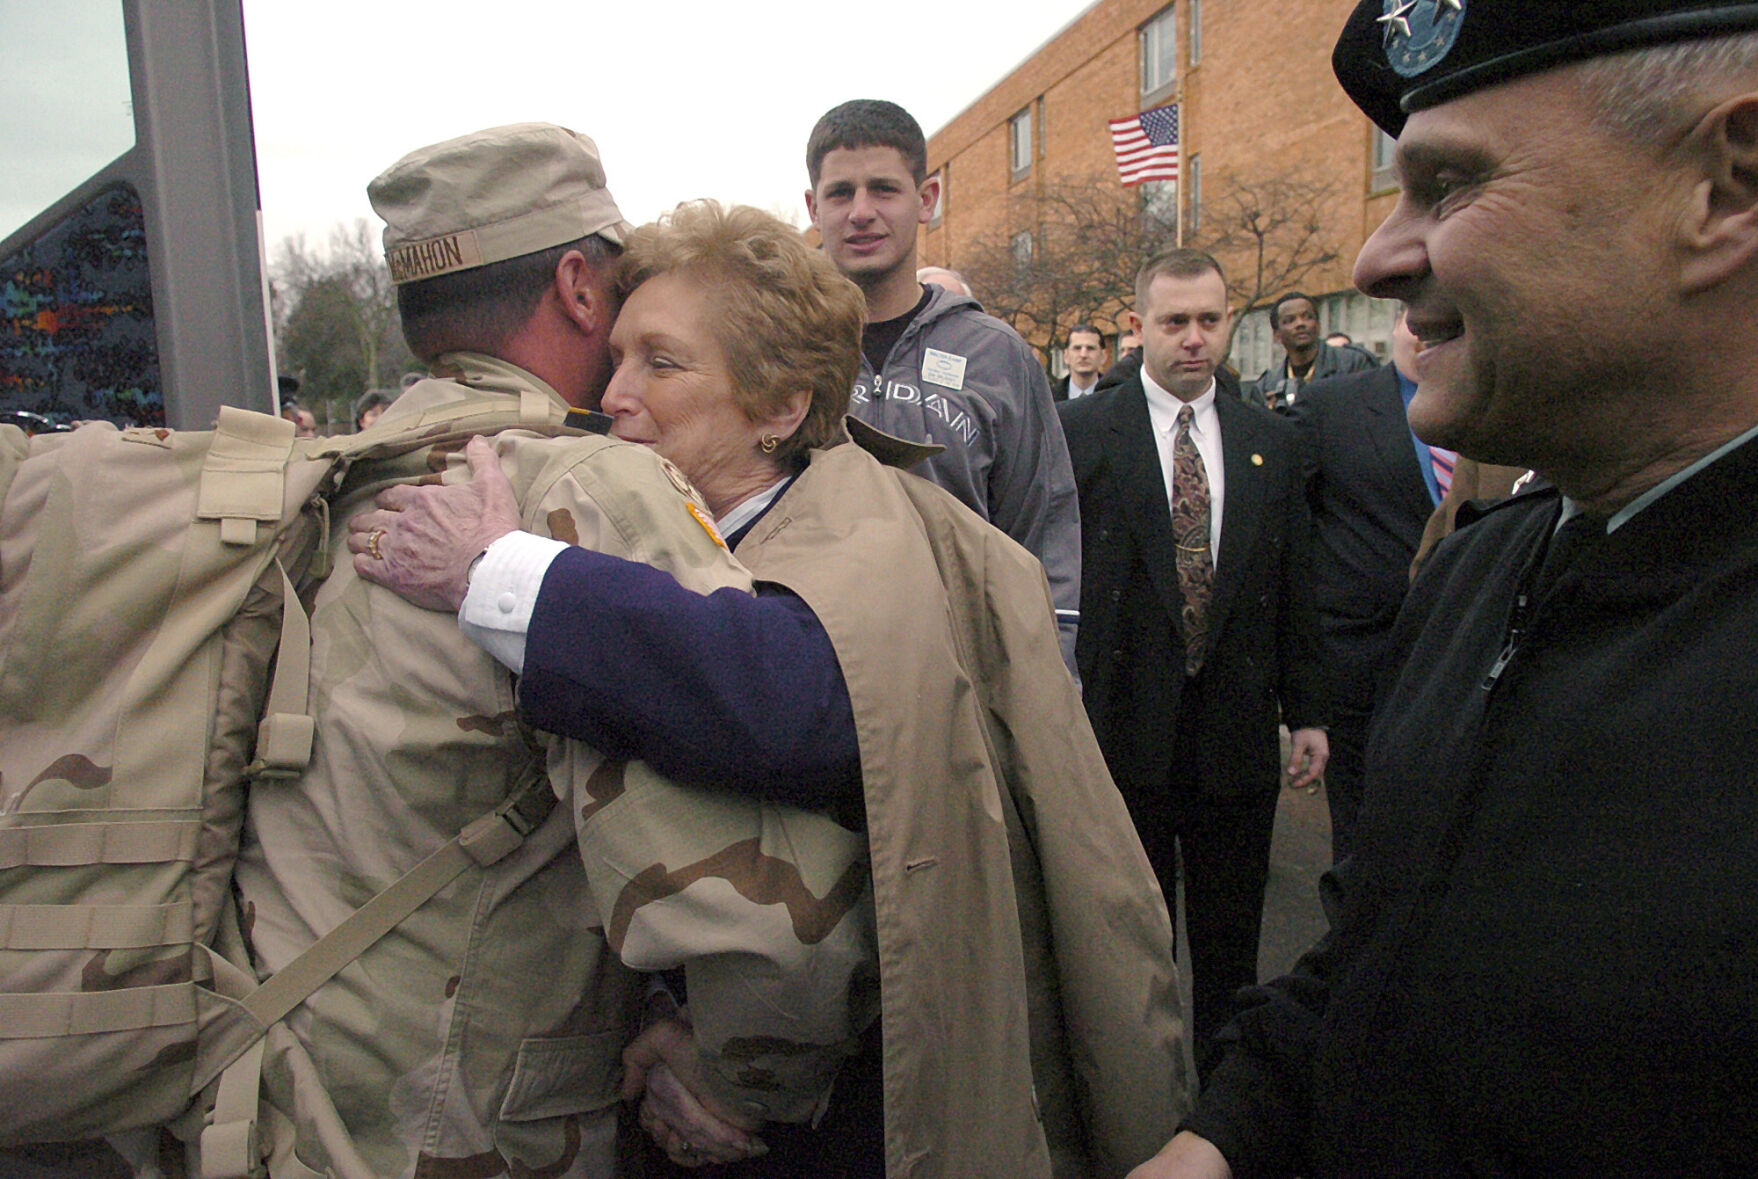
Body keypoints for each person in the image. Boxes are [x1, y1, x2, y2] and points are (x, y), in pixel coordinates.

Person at [352, 200, 1188, 1178]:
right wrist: (678, 1038)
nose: (613, 395)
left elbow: (797, 707)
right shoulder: (680, 524)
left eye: (661, 364)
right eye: (615, 357)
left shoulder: (863, 532)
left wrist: (497, 573)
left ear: (783, 407)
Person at [1131, 3, 1758, 1175]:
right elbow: (1380, 950)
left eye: (1449, 185)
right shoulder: (1482, 567)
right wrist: (1224, 1136)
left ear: (1725, 190)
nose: (1378, 256)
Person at [235, 124, 876, 1179]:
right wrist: (742, 1079)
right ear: (581, 285)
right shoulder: (586, 484)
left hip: (285, 1087)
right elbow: (767, 896)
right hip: (477, 1123)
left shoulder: (331, 475)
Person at [1058, 247, 1327, 1071]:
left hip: (1235, 739)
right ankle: (1137, 1100)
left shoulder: (1270, 441)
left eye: (1209, 320)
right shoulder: (1079, 434)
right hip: (1120, 730)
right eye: (1174, 322)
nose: (1194, 340)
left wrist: (1309, 709)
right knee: (1132, 946)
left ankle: (1221, 1104)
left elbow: (1293, 578)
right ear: (1139, 327)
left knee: (1228, 948)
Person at [804, 99, 1083, 672]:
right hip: (818, 675)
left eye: (883, 189)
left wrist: (1050, 675)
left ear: (925, 199)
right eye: (840, 193)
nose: (861, 212)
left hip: (969, 675)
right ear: (813, 206)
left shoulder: (996, 354)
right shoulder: (779, 348)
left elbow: (1042, 527)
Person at [1287, 307, 1435, 861]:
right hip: (1362, 659)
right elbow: (1289, 527)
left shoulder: (1501, 406)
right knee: (1363, 830)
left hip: (1471, 654)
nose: (1426, 336)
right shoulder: (1333, 408)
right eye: (1416, 321)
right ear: (1396, 323)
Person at [1243, 292, 1377, 411]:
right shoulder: (1266, 387)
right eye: (1289, 320)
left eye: (1307, 317)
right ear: (1277, 335)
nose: (1300, 324)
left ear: (1318, 326)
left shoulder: (1354, 365)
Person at [1054, 322, 1105, 401]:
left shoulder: (1117, 397)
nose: (1083, 355)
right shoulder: (1048, 399)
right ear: (1066, 356)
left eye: (1090, 348)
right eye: (1077, 348)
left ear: (1103, 356)